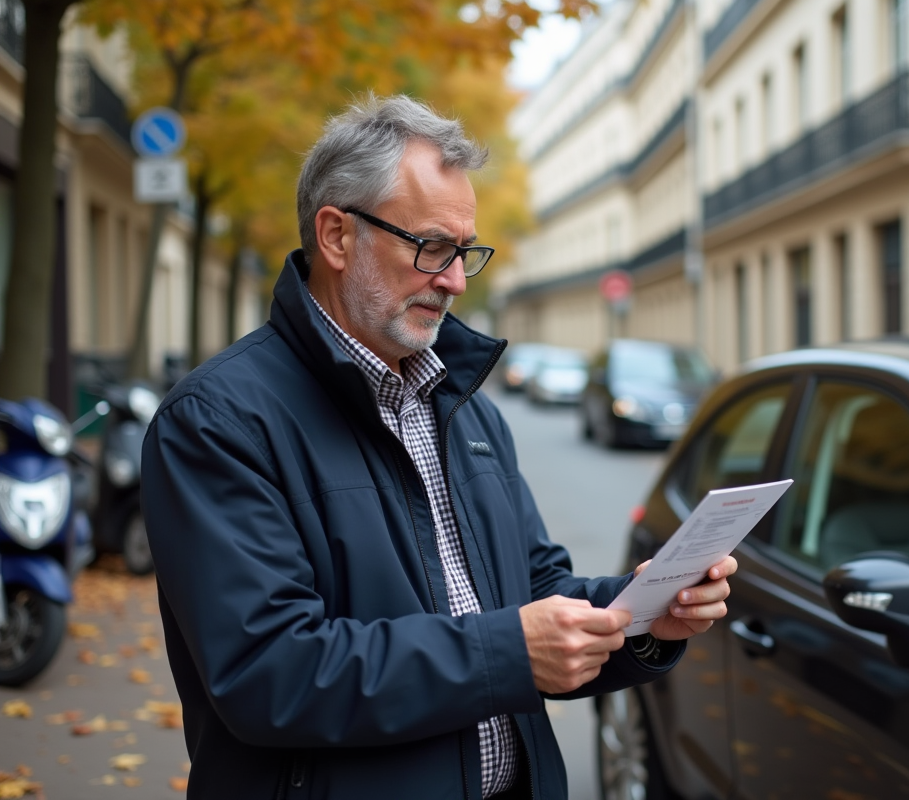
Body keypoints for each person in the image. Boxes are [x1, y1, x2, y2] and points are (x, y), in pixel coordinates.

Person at [141, 94, 737, 799]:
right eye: (431, 246)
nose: (455, 280)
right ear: (336, 236)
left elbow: (537, 593)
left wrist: (643, 615)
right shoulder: (217, 421)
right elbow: (269, 672)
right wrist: (508, 653)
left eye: (465, 252)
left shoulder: (466, 411)